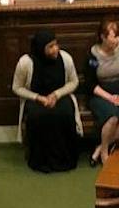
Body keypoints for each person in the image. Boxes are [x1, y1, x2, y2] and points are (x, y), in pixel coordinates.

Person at [12, 30, 82, 174]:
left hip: (60, 96)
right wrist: (39, 98)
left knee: (65, 113)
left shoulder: (66, 58)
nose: (55, 49)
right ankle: (40, 160)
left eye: (56, 45)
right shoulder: (26, 63)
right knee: (38, 117)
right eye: (50, 46)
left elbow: (74, 82)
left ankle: (65, 159)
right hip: (36, 98)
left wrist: (56, 95)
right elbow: (17, 87)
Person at [82, 18, 119, 165]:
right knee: (112, 118)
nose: (117, 40)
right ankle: (105, 153)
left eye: (118, 36)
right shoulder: (92, 56)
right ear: (103, 37)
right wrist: (110, 98)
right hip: (100, 92)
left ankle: (99, 149)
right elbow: (91, 84)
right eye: (113, 37)